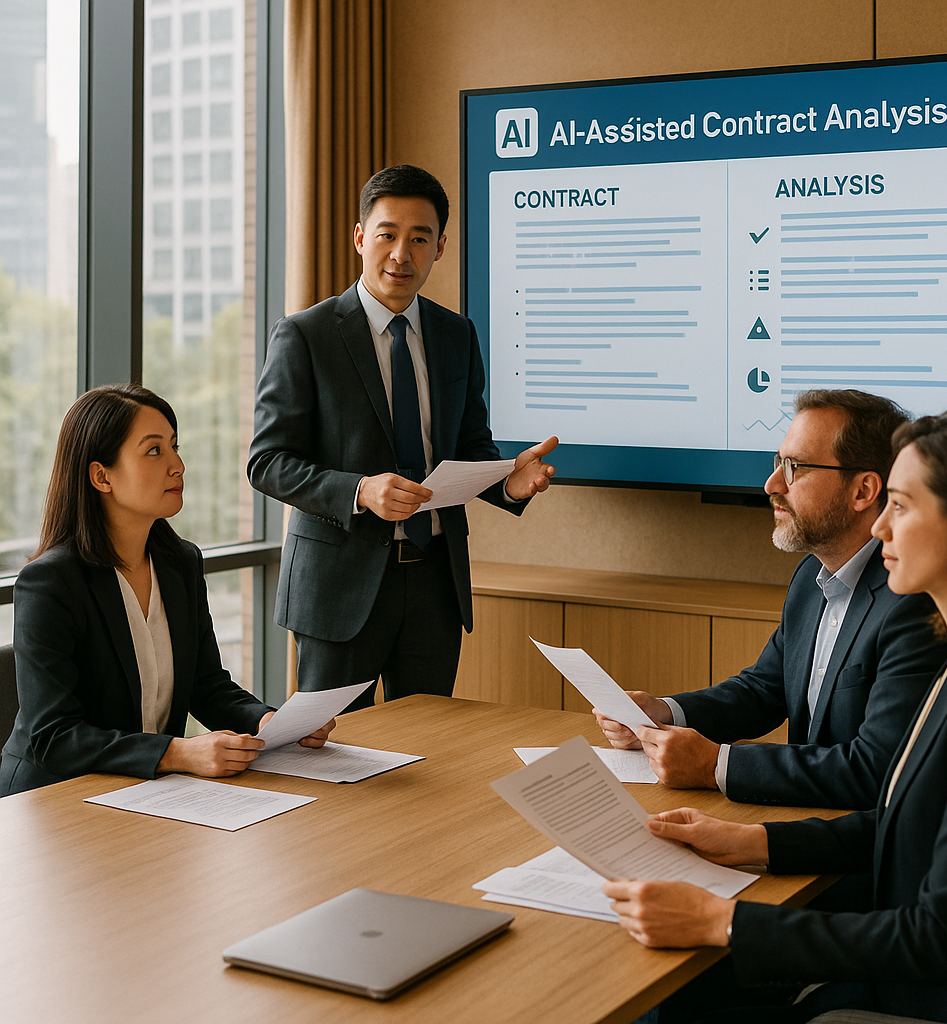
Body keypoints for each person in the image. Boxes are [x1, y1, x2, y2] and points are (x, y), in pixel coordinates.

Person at [603, 406, 947, 1024]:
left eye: (901, 507)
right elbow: (906, 824)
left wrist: (722, 921)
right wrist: (752, 841)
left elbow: (940, 937)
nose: (879, 528)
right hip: (892, 979)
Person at [248, 164, 557, 704]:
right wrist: (360, 491)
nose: (401, 254)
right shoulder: (305, 335)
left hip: (435, 582)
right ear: (360, 238)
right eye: (387, 235)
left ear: (439, 248)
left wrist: (508, 482)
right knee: (337, 760)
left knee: (428, 752)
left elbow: (467, 450)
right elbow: (268, 461)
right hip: (339, 589)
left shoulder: (456, 333)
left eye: (420, 239)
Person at [596, 389, 947, 809]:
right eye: (777, 463)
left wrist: (717, 765)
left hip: (854, 849)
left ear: (863, 491)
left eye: (794, 468)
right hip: (801, 820)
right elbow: (765, 690)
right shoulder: (810, 577)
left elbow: (875, 770)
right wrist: (665, 712)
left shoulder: (913, 601)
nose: (771, 485)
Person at [0, 384, 332, 797]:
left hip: (146, 792)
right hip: (53, 798)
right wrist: (177, 753)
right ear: (101, 476)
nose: (178, 465)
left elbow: (206, 686)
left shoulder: (181, 563)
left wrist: (268, 723)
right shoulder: (50, 583)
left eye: (175, 447)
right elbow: (53, 737)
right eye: (154, 451)